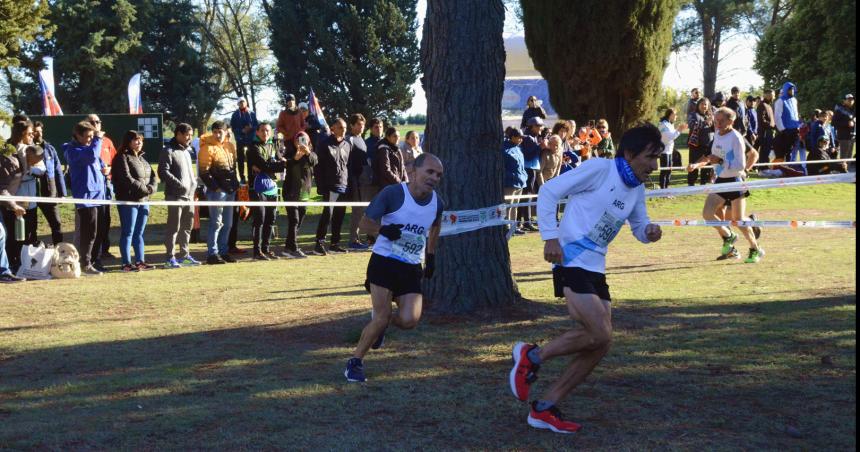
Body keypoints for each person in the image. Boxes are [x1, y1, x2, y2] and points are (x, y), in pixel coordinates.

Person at [508, 124, 665, 434]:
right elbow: (549, 191)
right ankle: (532, 356)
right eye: (650, 157)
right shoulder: (600, 168)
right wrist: (550, 237)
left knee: (600, 343)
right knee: (600, 332)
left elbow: (639, 225)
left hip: (596, 267)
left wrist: (649, 232)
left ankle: (545, 407)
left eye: (657, 158)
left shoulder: (637, 189)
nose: (654, 165)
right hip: (570, 257)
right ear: (630, 154)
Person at [344, 153, 445, 383]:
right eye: (429, 172)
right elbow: (364, 223)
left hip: (410, 265)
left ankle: (380, 327)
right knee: (381, 316)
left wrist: (431, 256)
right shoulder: (393, 193)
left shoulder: (437, 203)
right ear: (414, 171)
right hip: (384, 261)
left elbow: (435, 226)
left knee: (410, 320)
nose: (434, 178)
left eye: (438, 175)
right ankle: (355, 363)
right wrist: (383, 231)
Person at [687, 107, 764, 263]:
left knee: (738, 220)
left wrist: (721, 161)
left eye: (721, 121)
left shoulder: (736, 137)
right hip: (720, 180)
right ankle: (729, 235)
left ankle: (755, 249)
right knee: (707, 213)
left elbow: (740, 165)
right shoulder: (716, 134)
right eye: (716, 121)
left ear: (731, 121)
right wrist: (696, 165)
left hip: (735, 181)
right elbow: (710, 156)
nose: (718, 124)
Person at [64, 121, 108, 276]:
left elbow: (99, 161)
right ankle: (85, 264)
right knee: (88, 233)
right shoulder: (73, 150)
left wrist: (105, 169)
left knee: (96, 232)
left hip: (98, 196)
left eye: (92, 136)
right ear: (77, 135)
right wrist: (97, 139)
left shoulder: (89, 149)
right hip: (85, 197)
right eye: (88, 136)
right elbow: (91, 157)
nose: (91, 139)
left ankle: (90, 261)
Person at [112, 130, 157, 272]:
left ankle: (140, 261)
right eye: (135, 140)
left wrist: (151, 189)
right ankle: (126, 263)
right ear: (128, 141)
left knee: (139, 233)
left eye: (141, 140)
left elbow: (154, 177)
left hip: (144, 201)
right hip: (128, 201)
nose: (139, 142)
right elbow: (126, 178)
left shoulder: (143, 160)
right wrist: (144, 189)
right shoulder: (121, 157)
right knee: (128, 232)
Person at [158, 123, 200, 269]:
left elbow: (189, 174)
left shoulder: (187, 152)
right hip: (175, 196)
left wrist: (193, 185)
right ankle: (170, 258)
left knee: (187, 227)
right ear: (178, 134)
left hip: (189, 197)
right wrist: (180, 185)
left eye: (190, 135)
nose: (189, 138)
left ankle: (184, 255)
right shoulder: (168, 150)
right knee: (173, 228)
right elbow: (163, 172)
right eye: (187, 135)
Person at [199, 121, 240, 265]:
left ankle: (223, 251)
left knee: (228, 224)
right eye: (215, 132)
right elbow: (203, 172)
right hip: (217, 192)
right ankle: (212, 253)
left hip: (230, 190)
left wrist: (236, 185)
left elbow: (233, 168)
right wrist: (216, 188)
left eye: (220, 132)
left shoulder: (230, 146)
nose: (217, 135)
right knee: (216, 223)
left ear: (226, 132)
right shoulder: (206, 148)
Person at [247, 122, 287, 260]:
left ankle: (266, 249)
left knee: (271, 219)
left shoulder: (272, 145)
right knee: (260, 219)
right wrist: (280, 164)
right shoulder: (253, 148)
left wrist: (273, 164)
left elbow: (272, 163)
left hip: (272, 187)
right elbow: (264, 165)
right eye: (263, 130)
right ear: (257, 132)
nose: (265, 133)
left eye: (268, 131)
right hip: (257, 188)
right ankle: (257, 252)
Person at [313, 118, 352, 256]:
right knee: (327, 215)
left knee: (339, 216)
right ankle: (319, 243)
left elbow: (348, 165)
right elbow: (318, 167)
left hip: (344, 185)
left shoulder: (348, 145)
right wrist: (320, 185)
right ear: (333, 128)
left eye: (345, 127)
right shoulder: (324, 144)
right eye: (340, 127)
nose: (343, 130)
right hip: (330, 185)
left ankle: (335, 244)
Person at [86, 114, 117, 266]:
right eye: (92, 122)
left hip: (106, 185)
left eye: (97, 122)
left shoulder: (107, 141)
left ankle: (104, 250)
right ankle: (92, 255)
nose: (95, 124)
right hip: (91, 188)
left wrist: (109, 170)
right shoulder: (86, 142)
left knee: (106, 218)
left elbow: (114, 160)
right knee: (93, 221)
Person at [281, 131, 317, 258]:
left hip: (304, 193)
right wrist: (295, 158)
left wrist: (307, 152)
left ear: (308, 141)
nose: (300, 142)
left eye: (304, 139)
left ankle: (288, 247)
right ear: (294, 142)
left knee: (298, 221)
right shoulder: (290, 153)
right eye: (298, 140)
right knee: (294, 219)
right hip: (291, 192)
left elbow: (314, 162)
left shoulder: (311, 154)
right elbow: (286, 165)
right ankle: (294, 247)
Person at [32, 121, 66, 245]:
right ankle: (31, 256)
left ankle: (58, 250)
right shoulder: (26, 148)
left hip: (50, 193)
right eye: (36, 131)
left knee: (57, 224)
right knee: (31, 227)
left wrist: (62, 192)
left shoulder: (50, 149)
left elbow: (58, 171)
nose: (39, 133)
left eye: (40, 131)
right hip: (31, 194)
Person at [346, 113, 372, 251]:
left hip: (364, 181)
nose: (361, 127)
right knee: (356, 210)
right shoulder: (349, 139)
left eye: (362, 125)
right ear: (352, 125)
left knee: (361, 211)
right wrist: (352, 180)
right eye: (358, 125)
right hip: (354, 180)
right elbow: (348, 162)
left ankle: (357, 238)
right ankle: (353, 240)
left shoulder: (361, 139)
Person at [518, 116, 545, 231]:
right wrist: (540, 147)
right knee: (526, 196)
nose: (540, 128)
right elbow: (529, 154)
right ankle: (522, 222)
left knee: (528, 195)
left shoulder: (533, 137)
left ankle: (526, 221)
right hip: (528, 169)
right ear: (532, 126)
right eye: (538, 126)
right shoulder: (528, 138)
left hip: (532, 168)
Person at [503, 128, 527, 235]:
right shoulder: (504, 149)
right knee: (508, 206)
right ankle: (506, 227)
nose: (521, 139)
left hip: (520, 182)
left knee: (515, 206)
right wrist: (511, 176)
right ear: (512, 137)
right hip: (510, 183)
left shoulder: (518, 148)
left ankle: (514, 226)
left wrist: (524, 177)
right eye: (519, 137)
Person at [686, 97, 715, 186]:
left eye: (706, 104)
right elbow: (692, 125)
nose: (704, 106)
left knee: (706, 167)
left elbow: (713, 130)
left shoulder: (710, 116)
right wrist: (706, 122)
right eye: (702, 104)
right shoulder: (693, 114)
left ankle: (703, 184)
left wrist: (714, 123)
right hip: (696, 146)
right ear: (698, 105)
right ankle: (691, 185)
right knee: (693, 166)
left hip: (707, 146)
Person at [658, 108, 688, 189]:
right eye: (675, 114)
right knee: (665, 171)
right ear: (670, 115)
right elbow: (670, 137)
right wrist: (679, 130)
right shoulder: (663, 124)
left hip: (670, 151)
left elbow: (673, 134)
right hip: (664, 152)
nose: (676, 116)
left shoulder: (669, 124)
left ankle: (666, 189)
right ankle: (662, 190)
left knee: (669, 171)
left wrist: (678, 129)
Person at [773, 82, 802, 163]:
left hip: (795, 130)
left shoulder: (794, 100)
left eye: (793, 89)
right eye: (790, 89)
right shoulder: (780, 101)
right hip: (786, 131)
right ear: (786, 90)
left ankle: (789, 167)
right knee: (784, 151)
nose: (792, 91)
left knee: (791, 151)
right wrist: (783, 129)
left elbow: (796, 114)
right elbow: (777, 117)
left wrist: (798, 127)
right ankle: (781, 168)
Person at [832, 93, 855, 162]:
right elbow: (833, 123)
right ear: (844, 101)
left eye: (852, 99)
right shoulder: (839, 110)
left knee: (849, 156)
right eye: (848, 99)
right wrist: (846, 124)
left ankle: (847, 171)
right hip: (843, 137)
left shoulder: (852, 110)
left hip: (851, 136)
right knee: (844, 157)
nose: (851, 101)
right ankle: (843, 171)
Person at [756, 89, 777, 163]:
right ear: (767, 95)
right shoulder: (762, 105)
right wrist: (773, 126)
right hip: (764, 132)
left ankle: (765, 167)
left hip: (769, 132)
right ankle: (762, 169)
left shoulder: (769, 106)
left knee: (767, 150)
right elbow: (762, 120)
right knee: (764, 150)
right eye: (772, 96)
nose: (774, 97)